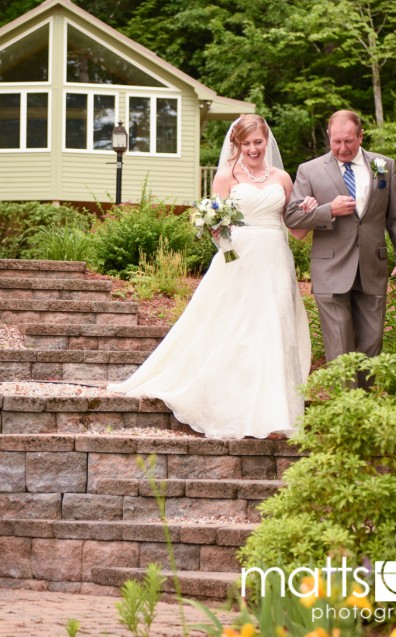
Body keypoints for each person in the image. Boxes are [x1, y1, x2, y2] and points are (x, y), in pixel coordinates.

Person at [107, 114, 316, 439]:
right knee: (238, 330)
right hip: (239, 261)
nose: (253, 149)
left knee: (274, 327)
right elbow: (214, 225)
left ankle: (276, 412)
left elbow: (298, 231)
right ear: (236, 145)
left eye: (258, 142)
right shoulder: (225, 177)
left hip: (275, 260)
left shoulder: (283, 178)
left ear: (266, 140)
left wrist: (308, 210)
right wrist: (227, 245)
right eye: (246, 144)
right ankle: (234, 405)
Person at [284, 109, 396, 377]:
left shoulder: (384, 166)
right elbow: (292, 215)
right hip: (330, 269)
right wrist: (328, 210)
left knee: (371, 346)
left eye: (348, 141)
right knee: (339, 348)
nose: (342, 148)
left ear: (361, 136)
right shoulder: (309, 170)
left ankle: (361, 408)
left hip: (372, 268)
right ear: (329, 137)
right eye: (336, 141)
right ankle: (344, 407)